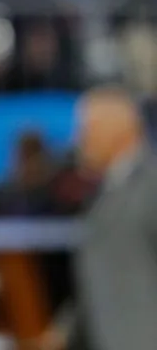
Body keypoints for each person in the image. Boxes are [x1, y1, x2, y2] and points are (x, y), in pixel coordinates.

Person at [40, 86, 157, 350]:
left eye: (86, 128)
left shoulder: (151, 187)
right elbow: (99, 277)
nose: (78, 139)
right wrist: (65, 330)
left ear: (117, 130)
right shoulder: (107, 191)